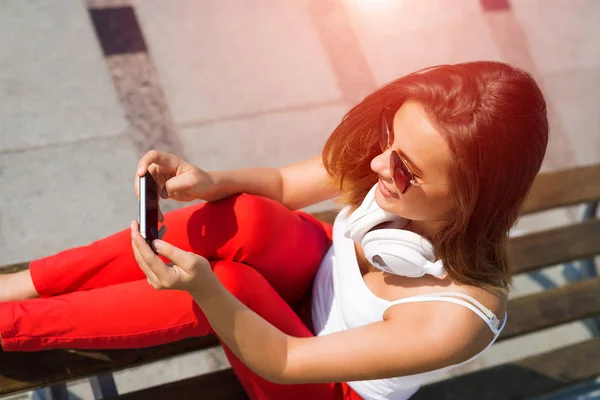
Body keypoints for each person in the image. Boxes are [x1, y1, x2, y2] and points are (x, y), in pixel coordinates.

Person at [0, 60, 548, 400]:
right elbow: (283, 186)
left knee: (232, 285)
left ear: (473, 197)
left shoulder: (461, 316)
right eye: (388, 138)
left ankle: (10, 323)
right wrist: (210, 180)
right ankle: (21, 285)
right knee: (254, 216)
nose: (380, 165)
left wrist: (207, 292)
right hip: (306, 293)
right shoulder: (392, 163)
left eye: (407, 169)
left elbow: (285, 363)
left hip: (319, 385)